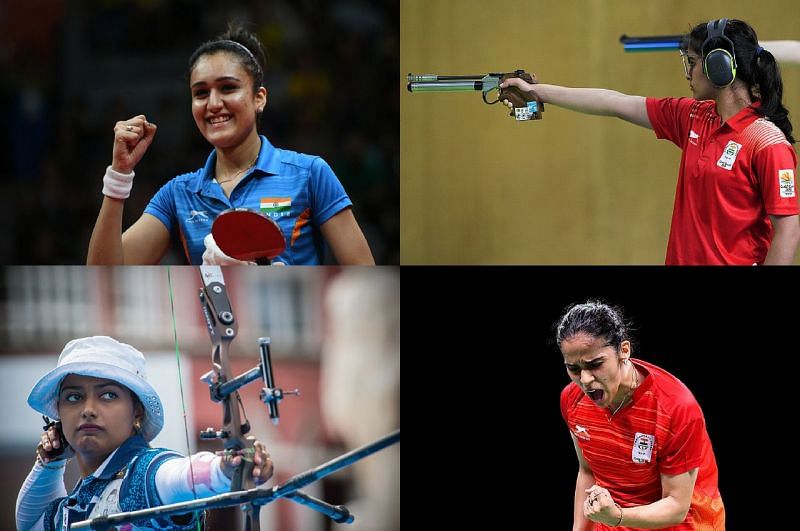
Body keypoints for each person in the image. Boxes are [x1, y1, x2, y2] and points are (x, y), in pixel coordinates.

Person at [501, 18, 800, 265]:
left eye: (693, 62)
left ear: (718, 66)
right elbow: (614, 102)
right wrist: (537, 92)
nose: (688, 72)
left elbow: (787, 231)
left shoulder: (767, 142)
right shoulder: (694, 116)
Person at [87, 24, 375, 266]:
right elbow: (104, 277)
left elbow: (364, 277)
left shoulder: (310, 174)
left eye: (228, 88)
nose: (213, 104)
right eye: (200, 93)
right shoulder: (178, 195)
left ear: (259, 98)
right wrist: (119, 175)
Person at [15, 336, 273, 530]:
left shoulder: (142, 473)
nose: (88, 410)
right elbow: (30, 523)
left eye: (108, 395)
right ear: (58, 415)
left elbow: (179, 476)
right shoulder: (77, 501)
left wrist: (228, 467)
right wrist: (50, 462)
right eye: (74, 397)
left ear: (136, 411)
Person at [556, 301, 724, 530]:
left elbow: (677, 506)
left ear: (624, 351)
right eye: (573, 369)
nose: (584, 380)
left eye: (595, 364)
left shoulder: (676, 407)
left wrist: (617, 516)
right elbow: (587, 471)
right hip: (613, 520)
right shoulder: (572, 400)